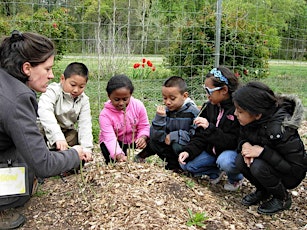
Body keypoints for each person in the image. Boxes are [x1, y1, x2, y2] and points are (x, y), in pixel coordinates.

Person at [0, 30, 92, 229]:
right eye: (47, 69)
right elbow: (44, 163)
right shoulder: (17, 99)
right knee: (26, 177)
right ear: (26, 68)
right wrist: (74, 154)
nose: (51, 75)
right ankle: (3, 206)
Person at [233, 81, 307, 215]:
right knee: (240, 160)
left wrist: (262, 152)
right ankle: (264, 191)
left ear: (257, 114)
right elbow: (242, 136)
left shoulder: (280, 130)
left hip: (290, 174)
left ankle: (282, 198)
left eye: (240, 111)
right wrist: (245, 145)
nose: (235, 114)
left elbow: (295, 168)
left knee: (258, 166)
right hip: (270, 164)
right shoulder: (251, 120)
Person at [178, 66, 243, 191]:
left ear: (224, 90)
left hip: (230, 152)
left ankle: (236, 178)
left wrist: (209, 128)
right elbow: (199, 135)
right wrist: (189, 151)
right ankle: (215, 171)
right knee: (186, 165)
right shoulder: (208, 107)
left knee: (225, 161)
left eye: (209, 91)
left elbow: (232, 142)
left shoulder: (237, 111)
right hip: (213, 152)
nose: (207, 95)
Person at [135, 76, 199, 170]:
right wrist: (159, 118)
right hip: (168, 146)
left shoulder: (193, 112)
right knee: (153, 141)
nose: (167, 102)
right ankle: (142, 156)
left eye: (172, 98)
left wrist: (175, 136)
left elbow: (196, 136)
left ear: (184, 96)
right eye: (165, 98)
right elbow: (155, 136)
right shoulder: (166, 111)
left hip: (185, 148)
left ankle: (179, 165)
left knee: (177, 145)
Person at [37, 62, 93, 154]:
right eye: (73, 85)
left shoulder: (84, 100)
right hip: (44, 130)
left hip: (66, 132)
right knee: (36, 143)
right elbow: (45, 112)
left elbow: (85, 124)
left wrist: (86, 148)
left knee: (74, 137)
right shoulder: (52, 91)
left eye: (81, 87)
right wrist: (57, 136)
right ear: (62, 79)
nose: (76, 90)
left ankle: (67, 162)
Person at [99, 74, 150, 163]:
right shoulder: (105, 115)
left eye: (125, 99)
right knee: (109, 153)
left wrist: (143, 137)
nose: (121, 103)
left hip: (134, 139)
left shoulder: (138, 106)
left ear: (130, 95)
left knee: (153, 138)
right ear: (109, 96)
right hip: (116, 141)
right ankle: (114, 160)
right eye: (117, 99)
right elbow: (110, 138)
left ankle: (140, 157)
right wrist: (118, 154)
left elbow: (144, 126)